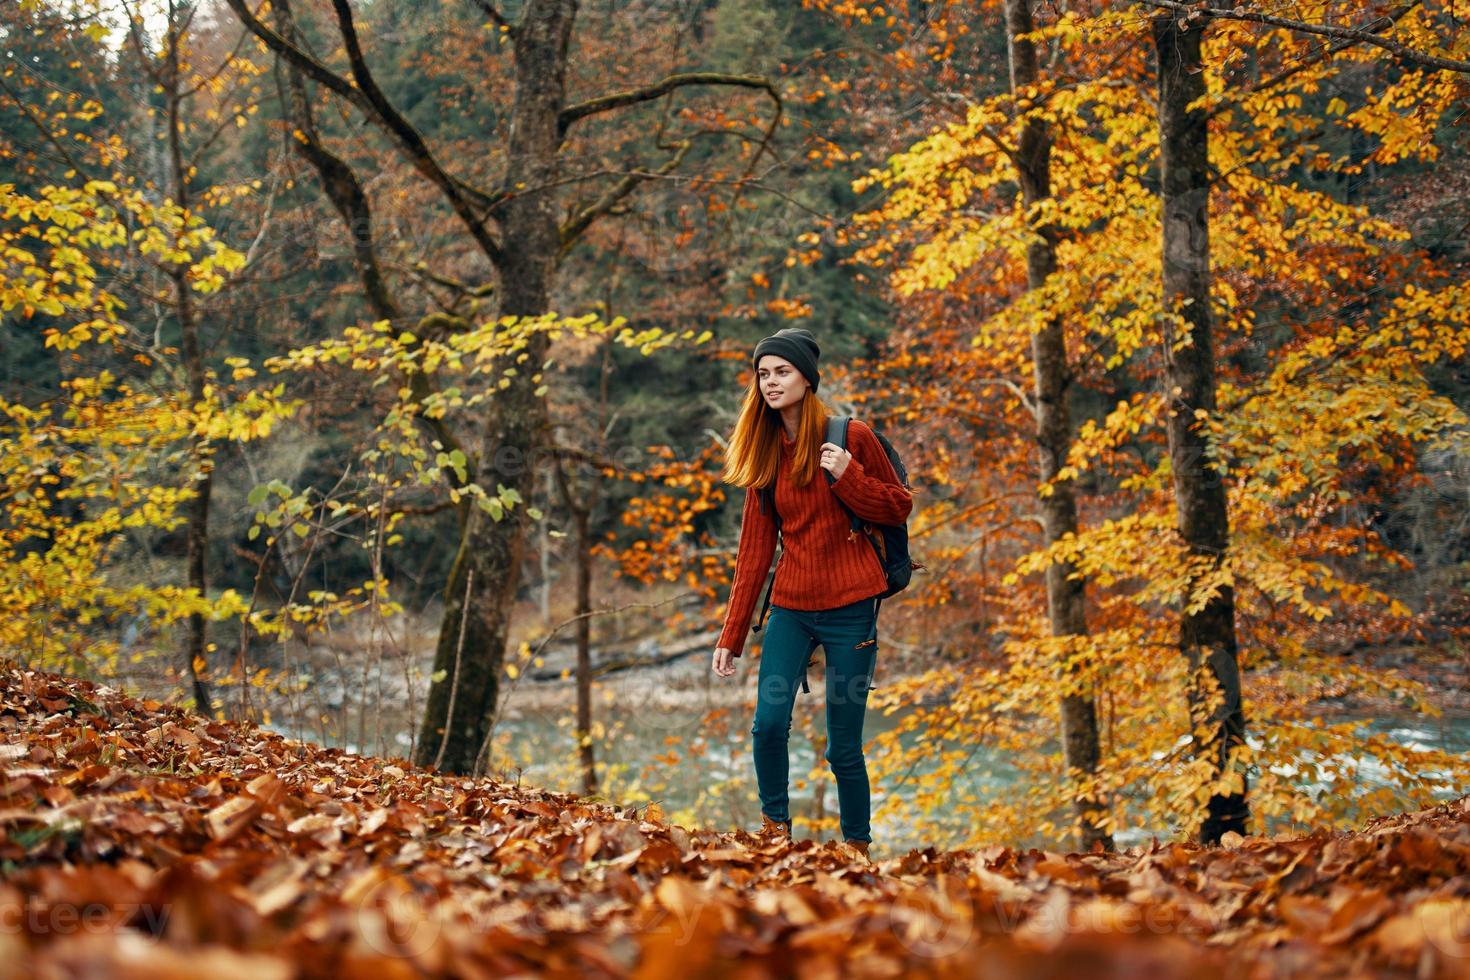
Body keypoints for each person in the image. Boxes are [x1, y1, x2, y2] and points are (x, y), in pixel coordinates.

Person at [711, 327, 914, 861]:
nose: (771, 382)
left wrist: (849, 477)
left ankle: (856, 848)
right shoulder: (764, 451)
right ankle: (774, 833)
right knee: (768, 724)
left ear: (806, 378)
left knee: (843, 746)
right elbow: (754, 551)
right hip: (792, 610)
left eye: (782, 371)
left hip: (852, 608)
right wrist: (730, 636)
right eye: (763, 373)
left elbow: (898, 506)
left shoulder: (851, 436)